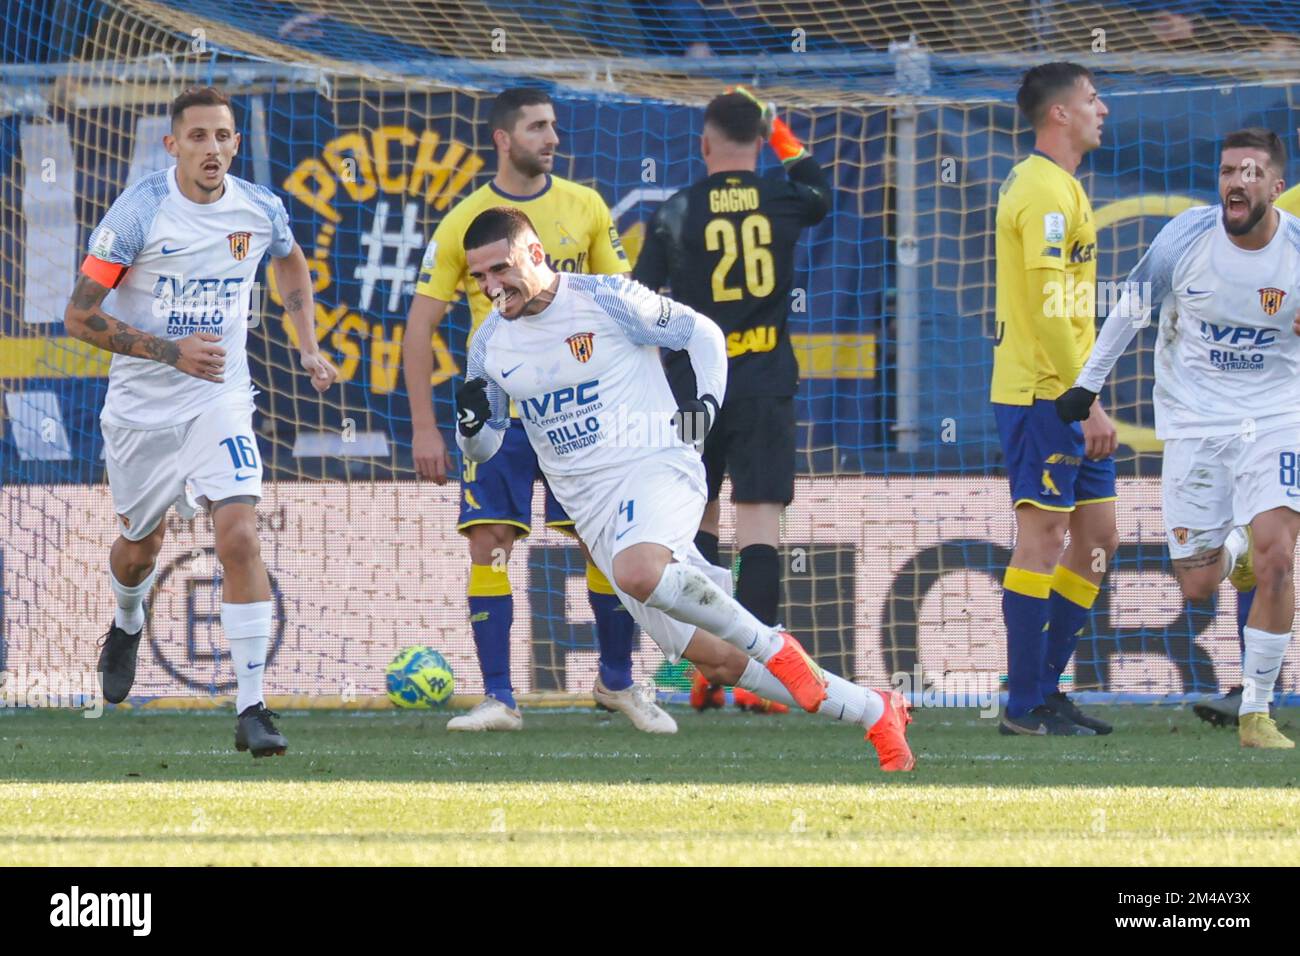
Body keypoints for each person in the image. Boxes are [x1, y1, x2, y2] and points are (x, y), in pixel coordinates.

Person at [454, 206, 915, 771]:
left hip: (655, 464)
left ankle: (774, 645)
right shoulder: (487, 345)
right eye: (479, 278)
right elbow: (486, 446)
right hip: (596, 514)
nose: (492, 287)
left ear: (535, 254)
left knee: (638, 571)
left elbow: (703, 333)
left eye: (500, 269)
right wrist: (471, 428)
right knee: (720, 662)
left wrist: (706, 406)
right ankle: (875, 710)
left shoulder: (605, 298)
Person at [63, 86, 339, 756]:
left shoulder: (259, 207)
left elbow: (289, 257)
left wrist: (307, 343)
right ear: (173, 146)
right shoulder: (138, 216)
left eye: (222, 137)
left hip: (219, 396)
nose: (212, 149)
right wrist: (170, 351)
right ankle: (128, 619)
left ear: (236, 143)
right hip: (142, 407)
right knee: (139, 550)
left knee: (239, 533)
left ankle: (252, 708)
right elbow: (78, 316)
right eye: (197, 137)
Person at [403, 88, 673, 733]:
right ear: (503, 137)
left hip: (583, 417)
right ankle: (499, 698)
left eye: (553, 126)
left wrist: (646, 411)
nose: (552, 137)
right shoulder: (462, 222)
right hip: (502, 419)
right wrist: (423, 426)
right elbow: (420, 328)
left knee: (601, 546)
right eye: (537, 127)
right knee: (490, 546)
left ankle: (617, 684)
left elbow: (627, 308)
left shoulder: (585, 206)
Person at [1058, 128, 1299, 749]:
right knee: (1197, 584)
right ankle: (1234, 551)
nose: (1235, 182)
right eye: (1227, 171)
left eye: (1251, 172)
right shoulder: (1185, 237)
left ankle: (1256, 712)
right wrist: (1087, 388)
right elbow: (1132, 307)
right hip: (1194, 424)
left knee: (1277, 557)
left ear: (1277, 187)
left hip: (1277, 417)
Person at [633, 86, 829, 714]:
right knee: (761, 524)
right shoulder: (782, 196)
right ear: (758, 138)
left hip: (695, 388)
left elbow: (640, 300)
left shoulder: (677, 208)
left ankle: (705, 669)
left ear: (705, 143)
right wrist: (781, 134)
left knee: (698, 525)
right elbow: (819, 190)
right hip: (766, 382)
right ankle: (763, 679)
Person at [991, 62, 1118, 736]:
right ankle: (1023, 705)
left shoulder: (1063, 186)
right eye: (1093, 99)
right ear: (1059, 114)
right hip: (1045, 396)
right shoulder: (1041, 189)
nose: (1105, 109)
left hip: (1067, 392)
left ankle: (1045, 687)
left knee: (1098, 539)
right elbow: (1045, 310)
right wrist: (1085, 400)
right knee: (1042, 538)